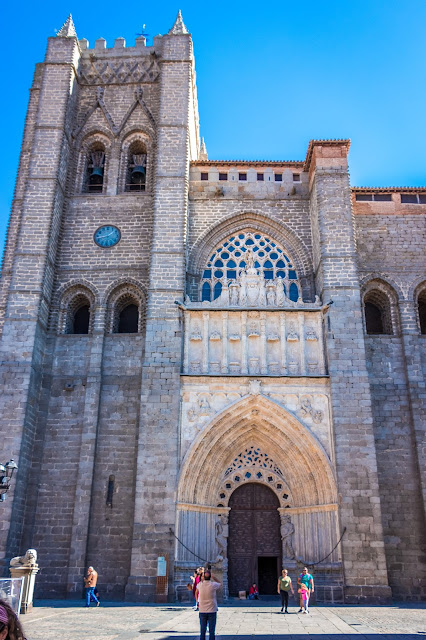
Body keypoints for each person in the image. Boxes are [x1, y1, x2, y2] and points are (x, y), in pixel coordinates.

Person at [196, 569, 221, 640]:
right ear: (210, 577)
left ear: (203, 577)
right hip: (212, 610)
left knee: (202, 631)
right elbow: (220, 583)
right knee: (212, 631)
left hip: (202, 610)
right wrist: (214, 577)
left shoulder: (200, 585)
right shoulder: (213, 585)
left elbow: (196, 589)